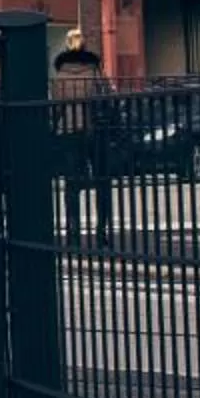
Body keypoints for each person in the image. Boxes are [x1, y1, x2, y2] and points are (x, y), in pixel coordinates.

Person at [51, 27, 113, 248]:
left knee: (72, 185)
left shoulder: (60, 76)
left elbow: (56, 108)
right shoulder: (94, 71)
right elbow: (107, 98)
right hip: (94, 131)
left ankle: (73, 233)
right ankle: (101, 232)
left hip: (69, 132)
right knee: (102, 182)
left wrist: (53, 128)